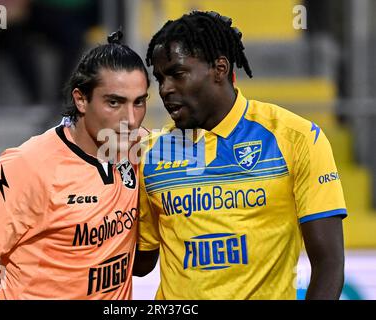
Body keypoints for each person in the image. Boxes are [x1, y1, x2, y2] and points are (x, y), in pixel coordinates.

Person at [133, 11, 347, 300]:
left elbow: (329, 263)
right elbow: (141, 263)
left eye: (177, 74)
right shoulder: (150, 154)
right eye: (159, 78)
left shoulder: (296, 137)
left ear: (220, 69)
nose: (165, 89)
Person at [0, 31, 150, 299]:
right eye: (114, 102)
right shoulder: (25, 167)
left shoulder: (143, 151)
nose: (130, 119)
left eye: (139, 102)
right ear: (81, 99)